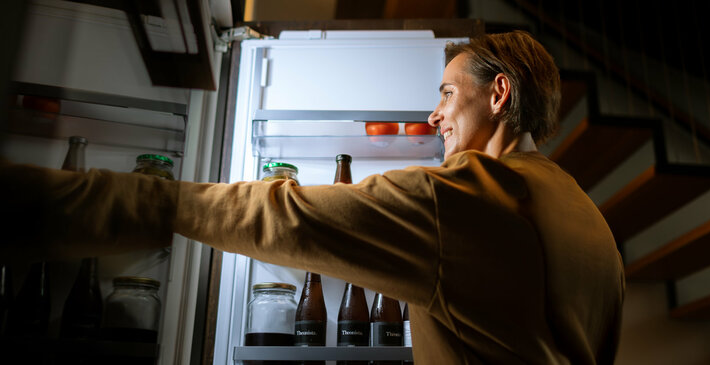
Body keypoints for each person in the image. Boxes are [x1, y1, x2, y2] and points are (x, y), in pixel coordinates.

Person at [1, 31, 624, 364]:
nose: (433, 115)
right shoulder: (591, 224)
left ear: (498, 95)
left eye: (445, 93)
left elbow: (284, 216)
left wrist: (59, 200)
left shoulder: (466, 198)